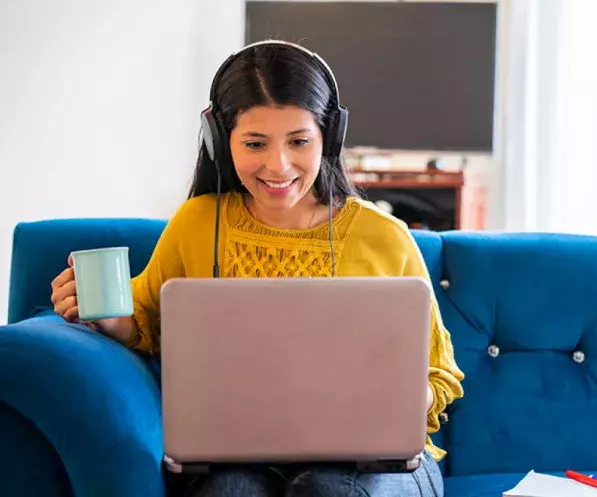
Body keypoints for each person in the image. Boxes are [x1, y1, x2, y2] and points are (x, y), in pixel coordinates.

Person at [49, 40, 464, 497]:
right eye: (255, 143)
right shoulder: (197, 223)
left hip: (376, 465)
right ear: (219, 140)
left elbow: (438, 375)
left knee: (327, 491)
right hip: (238, 456)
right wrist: (107, 317)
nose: (278, 164)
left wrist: (396, 398)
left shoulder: (384, 236)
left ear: (330, 137)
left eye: (299, 141)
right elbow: (147, 325)